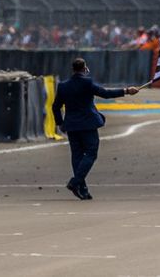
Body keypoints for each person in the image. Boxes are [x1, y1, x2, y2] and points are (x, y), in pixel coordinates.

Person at [53, 58, 139, 200]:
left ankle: (83, 189)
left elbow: (55, 107)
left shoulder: (63, 86)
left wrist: (60, 123)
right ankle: (75, 182)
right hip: (88, 124)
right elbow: (105, 93)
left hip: (72, 126)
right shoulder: (87, 83)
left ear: (73, 69)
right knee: (91, 153)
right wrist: (126, 91)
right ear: (84, 68)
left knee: (77, 156)